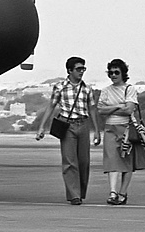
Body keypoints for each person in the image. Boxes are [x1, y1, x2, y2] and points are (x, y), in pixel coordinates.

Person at [36, 56, 99, 205]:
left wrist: (96, 131)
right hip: (67, 125)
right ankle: (74, 194)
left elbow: (92, 109)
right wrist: (42, 126)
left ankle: (80, 191)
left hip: (83, 124)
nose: (81, 72)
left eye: (83, 69)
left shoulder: (87, 88)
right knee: (70, 161)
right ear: (69, 70)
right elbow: (51, 105)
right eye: (78, 69)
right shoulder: (60, 87)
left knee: (83, 161)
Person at [98, 58, 145, 205]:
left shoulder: (129, 89)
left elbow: (129, 109)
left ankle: (123, 192)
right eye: (111, 72)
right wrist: (118, 107)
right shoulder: (105, 90)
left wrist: (112, 109)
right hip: (110, 128)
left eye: (116, 72)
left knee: (127, 163)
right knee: (111, 160)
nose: (113, 75)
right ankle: (113, 192)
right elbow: (100, 110)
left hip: (126, 128)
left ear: (123, 73)